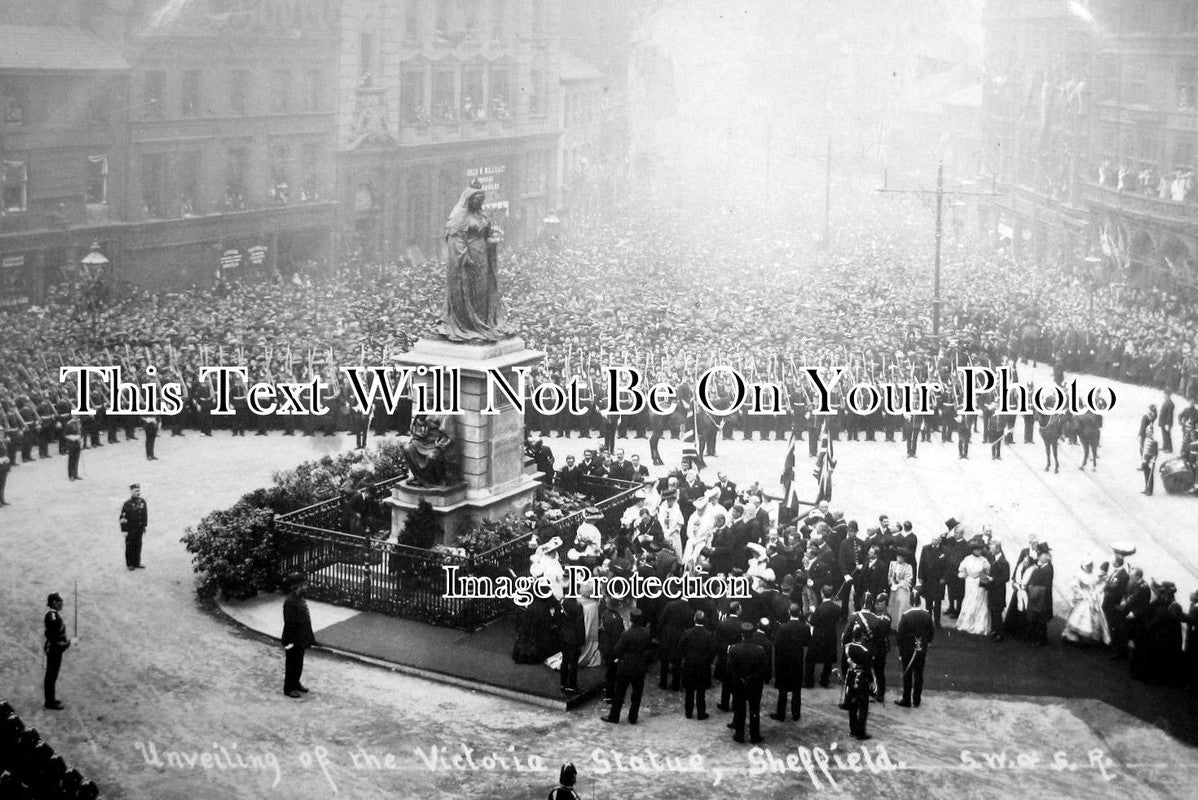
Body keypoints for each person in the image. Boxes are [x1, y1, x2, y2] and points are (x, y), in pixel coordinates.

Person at [436, 179, 514, 341]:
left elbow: (487, 234)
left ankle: (484, 319)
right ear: (469, 200)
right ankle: (469, 323)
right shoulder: (458, 217)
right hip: (468, 260)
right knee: (471, 290)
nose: (481, 203)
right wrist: (464, 257)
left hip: (483, 257)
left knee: (482, 290)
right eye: (478, 200)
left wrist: (492, 240)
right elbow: (455, 241)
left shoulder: (480, 214)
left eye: (482, 200)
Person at [602, 607, 651, 724]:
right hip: (639, 667)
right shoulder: (646, 633)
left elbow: (617, 650)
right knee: (637, 694)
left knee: (619, 693)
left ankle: (614, 716)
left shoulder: (626, 634)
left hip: (626, 668)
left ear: (631, 620)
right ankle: (633, 717)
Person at [726, 622, 769, 744]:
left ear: (742, 635)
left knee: (739, 709)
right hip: (755, 685)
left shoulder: (734, 649)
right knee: (754, 710)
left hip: (739, 685)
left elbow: (730, 668)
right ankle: (755, 736)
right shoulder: (759, 650)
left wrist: (740, 678)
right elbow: (763, 669)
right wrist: (751, 678)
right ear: (752, 635)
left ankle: (739, 735)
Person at [771, 603, 809, 722]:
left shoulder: (783, 628)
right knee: (797, 690)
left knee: (783, 690)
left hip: (784, 661)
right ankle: (796, 714)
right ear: (799, 613)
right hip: (797, 660)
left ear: (789, 612)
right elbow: (807, 642)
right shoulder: (805, 627)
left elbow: (776, 644)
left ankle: (780, 714)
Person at [895, 591, 934, 708]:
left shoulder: (906, 615)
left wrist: (900, 649)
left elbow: (900, 634)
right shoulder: (926, 614)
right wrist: (928, 642)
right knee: (919, 674)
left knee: (907, 675)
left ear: (911, 601)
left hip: (908, 649)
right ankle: (916, 700)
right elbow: (931, 631)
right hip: (921, 648)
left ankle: (906, 699)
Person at [281, 573, 316, 698]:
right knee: (291, 663)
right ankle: (288, 688)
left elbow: (306, 621)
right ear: (298, 586)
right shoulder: (290, 602)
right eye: (305, 585)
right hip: (292, 639)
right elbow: (290, 624)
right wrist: (291, 642)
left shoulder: (299, 599)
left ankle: (296, 683)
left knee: (299, 662)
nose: (307, 587)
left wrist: (308, 638)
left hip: (300, 638)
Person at [1063, 560, 1111, 646]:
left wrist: (1091, 593)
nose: (1090, 568)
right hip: (1082, 598)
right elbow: (1074, 586)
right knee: (1078, 616)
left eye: (1091, 566)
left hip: (1090, 598)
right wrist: (1081, 593)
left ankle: (1084, 637)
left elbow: (1094, 585)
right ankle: (1071, 635)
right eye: (1088, 566)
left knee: (1089, 619)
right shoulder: (1079, 574)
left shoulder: (1094, 576)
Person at [678, 610, 715, 719]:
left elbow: (680, 647)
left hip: (689, 664)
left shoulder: (687, 632)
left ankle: (688, 712)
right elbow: (712, 652)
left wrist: (686, 657)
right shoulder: (709, 635)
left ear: (694, 619)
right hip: (703, 666)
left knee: (689, 691)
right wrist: (708, 662)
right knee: (701, 691)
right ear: (705, 620)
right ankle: (701, 713)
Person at [805, 585, 840, 688]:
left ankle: (809, 682)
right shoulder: (836, 608)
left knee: (810, 659)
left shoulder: (819, 609)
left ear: (822, 594)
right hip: (831, 635)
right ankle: (825, 681)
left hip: (819, 636)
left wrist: (812, 612)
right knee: (828, 660)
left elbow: (813, 622)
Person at [956, 538, 992, 636]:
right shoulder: (967, 559)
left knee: (979, 603)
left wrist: (983, 573)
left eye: (980, 549)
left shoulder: (984, 560)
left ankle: (979, 626)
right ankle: (966, 624)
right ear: (972, 550)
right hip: (970, 583)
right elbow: (961, 571)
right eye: (976, 549)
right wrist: (965, 575)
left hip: (979, 584)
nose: (978, 551)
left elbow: (988, 572)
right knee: (969, 601)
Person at [843, 628, 873, 740]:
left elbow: (846, 661)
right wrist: (871, 681)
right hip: (862, 680)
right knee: (863, 707)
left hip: (851, 677)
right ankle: (861, 732)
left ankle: (853, 730)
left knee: (852, 706)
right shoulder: (866, 650)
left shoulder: (848, 647)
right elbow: (868, 667)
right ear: (861, 636)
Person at [44, 592, 72, 710]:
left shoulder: (52, 615)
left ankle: (50, 699)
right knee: (51, 675)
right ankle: (50, 702)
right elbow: (55, 638)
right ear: (54, 603)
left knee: (52, 675)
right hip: (55, 649)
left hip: (54, 648)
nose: (62, 604)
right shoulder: (54, 618)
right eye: (61, 602)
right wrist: (69, 643)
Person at [918, 529, 949, 627]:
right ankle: (927, 620)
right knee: (928, 601)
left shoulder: (945, 550)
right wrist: (920, 576)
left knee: (938, 602)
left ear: (940, 540)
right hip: (928, 580)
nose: (934, 541)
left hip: (939, 580)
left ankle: (937, 621)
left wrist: (944, 578)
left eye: (936, 540)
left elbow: (948, 567)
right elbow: (921, 563)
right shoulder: (925, 548)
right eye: (933, 539)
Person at [1024, 549, 1054, 647]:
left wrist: (1031, 586)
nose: (1038, 558)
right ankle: (1039, 639)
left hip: (1041, 598)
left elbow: (1041, 584)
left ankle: (1040, 640)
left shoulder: (1045, 570)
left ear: (1045, 559)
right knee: (1039, 619)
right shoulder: (1046, 567)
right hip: (1041, 597)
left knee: (1039, 620)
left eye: (1040, 557)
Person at [558, 596, 585, 695]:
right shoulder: (578, 606)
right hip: (574, 637)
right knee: (573, 663)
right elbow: (580, 625)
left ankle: (563, 684)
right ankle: (572, 686)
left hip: (564, 635)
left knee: (565, 660)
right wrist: (582, 640)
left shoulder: (563, 602)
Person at [119, 483, 148, 570]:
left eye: (138, 490)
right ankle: (130, 564)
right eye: (135, 491)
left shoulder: (142, 502)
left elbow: (144, 515)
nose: (138, 492)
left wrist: (144, 526)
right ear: (131, 492)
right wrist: (124, 530)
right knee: (130, 546)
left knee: (138, 545)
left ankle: (137, 562)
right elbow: (123, 518)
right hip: (131, 529)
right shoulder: (127, 504)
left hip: (139, 528)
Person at [987, 541, 1010, 642]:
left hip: (999, 591)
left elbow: (1006, 578)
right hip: (993, 590)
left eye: (992, 549)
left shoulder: (1003, 562)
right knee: (992, 610)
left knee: (997, 612)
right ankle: (995, 630)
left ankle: (1000, 634)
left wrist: (992, 579)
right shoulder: (994, 559)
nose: (990, 551)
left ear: (997, 549)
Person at [888, 549, 914, 619]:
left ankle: (900, 623)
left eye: (901, 558)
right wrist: (891, 582)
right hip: (893, 588)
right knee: (892, 605)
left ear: (904, 559)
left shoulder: (908, 567)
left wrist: (899, 584)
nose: (899, 559)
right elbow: (890, 575)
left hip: (902, 589)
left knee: (900, 606)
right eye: (898, 557)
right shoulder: (892, 564)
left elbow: (908, 579)